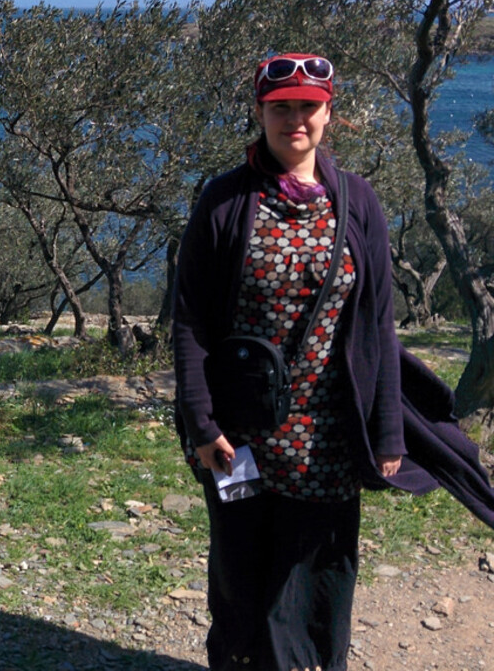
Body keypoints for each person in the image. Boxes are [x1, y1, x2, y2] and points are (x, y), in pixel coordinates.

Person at [172, 53, 404, 671]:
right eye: (281, 107)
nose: (294, 119)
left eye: (308, 106)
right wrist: (202, 427)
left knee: (316, 573)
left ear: (330, 114)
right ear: (260, 113)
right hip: (237, 439)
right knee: (239, 565)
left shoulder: (357, 202)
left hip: (326, 438)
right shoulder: (224, 201)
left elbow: (379, 322)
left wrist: (386, 429)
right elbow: (190, 319)